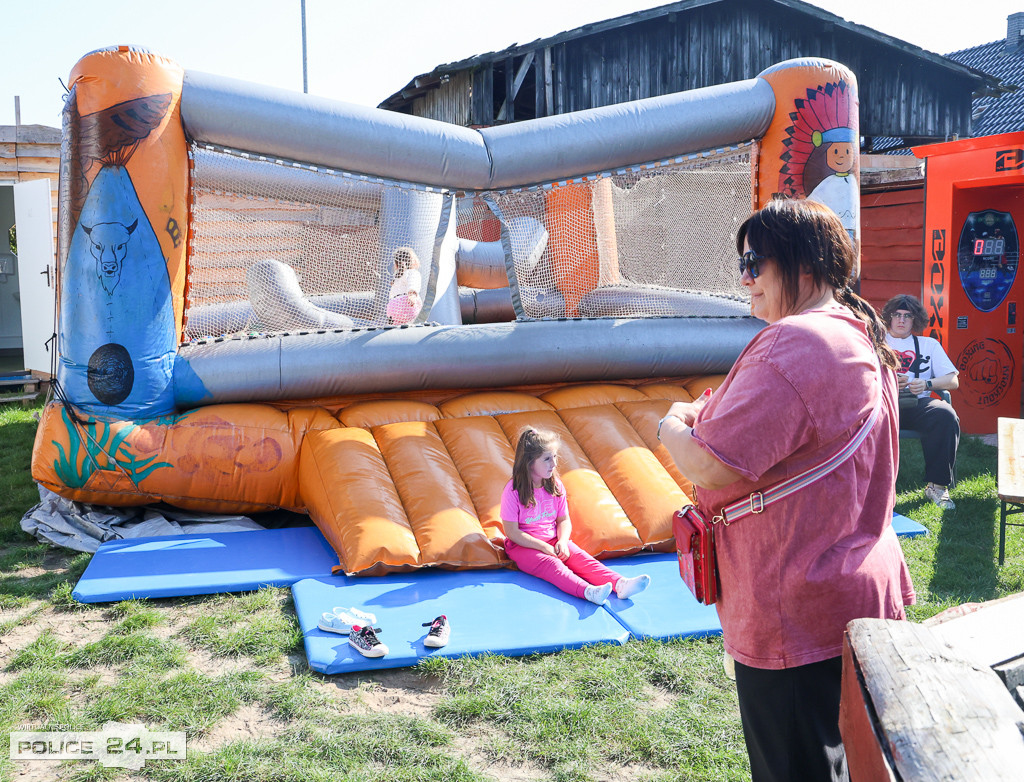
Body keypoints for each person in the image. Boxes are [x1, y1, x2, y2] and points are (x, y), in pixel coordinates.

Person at [658, 199, 915, 782]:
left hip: (795, 603)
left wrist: (669, 425)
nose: (744, 278)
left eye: (755, 262)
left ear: (801, 264)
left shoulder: (793, 343)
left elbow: (710, 463)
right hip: (853, 587)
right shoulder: (858, 330)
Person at [500, 428, 650, 604]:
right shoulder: (513, 491)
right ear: (530, 462)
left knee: (580, 557)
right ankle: (588, 592)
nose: (554, 464)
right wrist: (542, 547)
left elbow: (563, 520)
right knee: (552, 565)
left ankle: (620, 584)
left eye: (555, 457)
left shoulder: (554, 486)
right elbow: (512, 532)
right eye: (547, 459)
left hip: (553, 540)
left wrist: (562, 541)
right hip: (523, 547)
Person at [881, 294, 960, 510]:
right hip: (881, 404)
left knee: (945, 414)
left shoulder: (928, 344)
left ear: (916, 320)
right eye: (897, 314)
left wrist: (925, 384)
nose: (901, 320)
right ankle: (867, 487)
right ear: (888, 316)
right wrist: (886, 381)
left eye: (908, 316)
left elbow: (953, 380)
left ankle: (937, 486)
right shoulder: (875, 342)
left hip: (917, 405)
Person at [387, 246, 423, 324]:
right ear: (413, 261)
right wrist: (412, 295)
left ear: (396, 265)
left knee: (396, 324)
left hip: (392, 307)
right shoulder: (412, 272)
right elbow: (413, 283)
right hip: (406, 304)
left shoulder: (397, 276)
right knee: (413, 322)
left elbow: (392, 294)